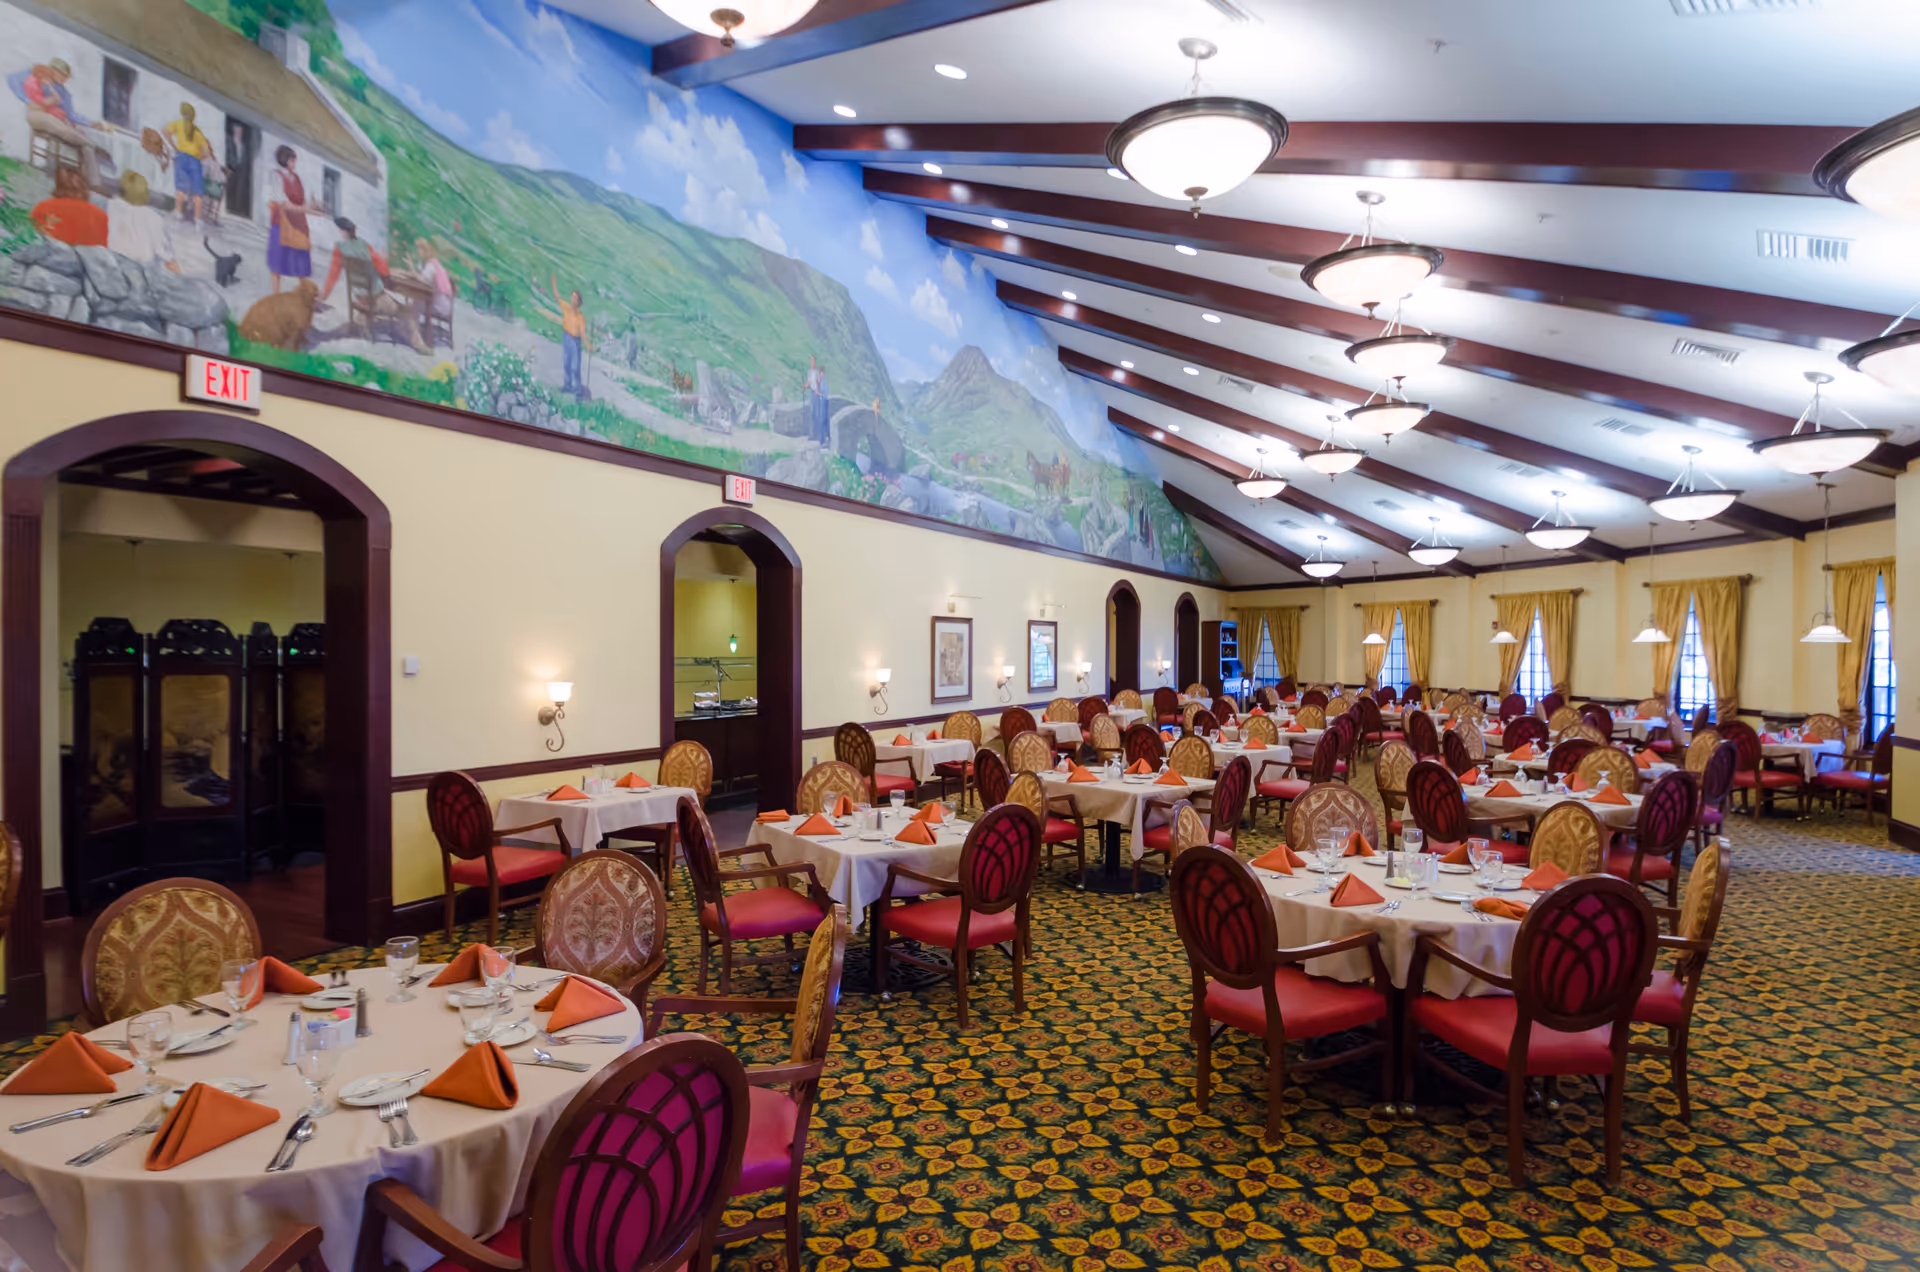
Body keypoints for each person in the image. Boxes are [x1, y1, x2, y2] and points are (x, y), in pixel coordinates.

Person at [319, 216, 430, 354]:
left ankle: (363, 320)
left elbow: (332, 275)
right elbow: (384, 272)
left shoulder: (339, 249)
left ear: (343, 232)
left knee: (382, 301)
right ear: (354, 231)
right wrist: (382, 259)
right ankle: (418, 344)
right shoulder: (366, 246)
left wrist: (323, 295)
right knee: (406, 310)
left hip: (361, 299)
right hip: (376, 300)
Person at [8, 59, 101, 192]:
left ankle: (93, 182)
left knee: (85, 145)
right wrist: (32, 101)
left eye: (67, 77)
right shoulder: (37, 77)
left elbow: (71, 115)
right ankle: (90, 143)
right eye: (62, 75)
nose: (65, 79)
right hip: (37, 115)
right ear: (53, 71)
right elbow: (14, 81)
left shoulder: (64, 94)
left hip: (57, 121)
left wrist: (91, 123)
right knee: (57, 125)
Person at [531, 273, 591, 397]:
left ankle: (577, 388)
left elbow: (583, 334)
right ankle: (567, 386)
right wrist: (554, 284)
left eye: (575, 298)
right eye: (572, 297)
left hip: (575, 342)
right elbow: (557, 297)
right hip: (566, 338)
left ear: (579, 302)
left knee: (575, 367)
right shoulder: (566, 308)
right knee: (567, 363)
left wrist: (588, 345)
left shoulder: (581, 317)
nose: (573, 299)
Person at [267, 145, 317, 293]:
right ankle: (275, 297)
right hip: (281, 224)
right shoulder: (277, 176)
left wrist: (312, 205)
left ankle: (307, 297)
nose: (295, 163)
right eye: (293, 159)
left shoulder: (297, 179)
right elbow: (283, 203)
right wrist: (304, 209)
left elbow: (302, 201)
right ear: (287, 160)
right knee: (277, 262)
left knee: (301, 262)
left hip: (297, 224)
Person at [106, 171, 178, 271]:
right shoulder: (153, 217)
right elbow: (166, 255)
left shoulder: (109, 206)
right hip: (142, 270)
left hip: (114, 265)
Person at [162, 102, 215, 224]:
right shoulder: (197, 131)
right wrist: (199, 157)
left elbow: (165, 131)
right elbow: (206, 151)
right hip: (195, 161)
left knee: (180, 189)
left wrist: (173, 146)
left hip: (181, 157)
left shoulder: (178, 124)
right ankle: (198, 220)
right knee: (197, 193)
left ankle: (179, 214)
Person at [31, 164, 106, 247]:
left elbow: (35, 236)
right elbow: (102, 247)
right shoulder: (100, 215)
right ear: (83, 186)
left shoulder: (42, 207)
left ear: (58, 185)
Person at [806, 354, 829, 445]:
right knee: (814, 415)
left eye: (813, 360)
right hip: (815, 394)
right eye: (811, 361)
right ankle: (815, 436)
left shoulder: (819, 376)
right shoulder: (810, 372)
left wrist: (817, 392)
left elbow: (822, 391)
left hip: (819, 397)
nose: (812, 362)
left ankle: (820, 439)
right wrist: (807, 386)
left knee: (820, 418)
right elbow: (810, 383)